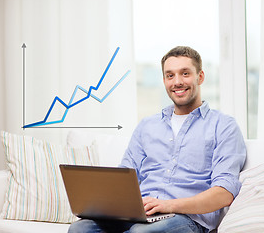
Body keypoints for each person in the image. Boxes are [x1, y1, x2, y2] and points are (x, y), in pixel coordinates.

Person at [68, 46, 246, 233]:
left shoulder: (223, 126)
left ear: (200, 77)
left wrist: (169, 205)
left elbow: (224, 193)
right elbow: (124, 178)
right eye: (170, 76)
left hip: (186, 219)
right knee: (80, 229)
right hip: (138, 215)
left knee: (140, 232)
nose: (177, 82)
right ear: (164, 80)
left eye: (185, 73)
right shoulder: (147, 126)